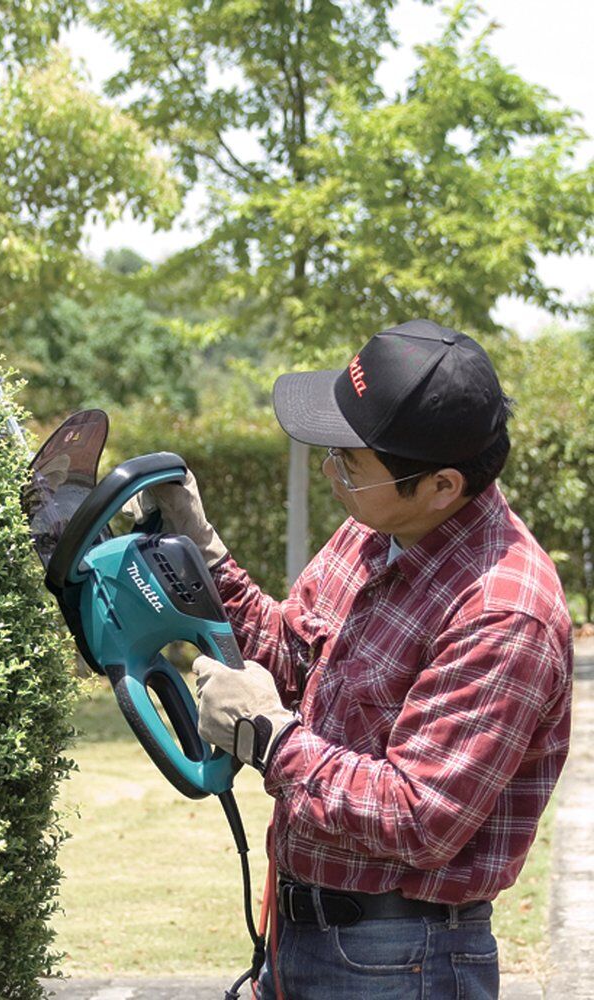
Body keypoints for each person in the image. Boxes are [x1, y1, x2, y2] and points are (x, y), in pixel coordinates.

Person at [129, 319, 573, 999]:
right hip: (304, 931)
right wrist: (200, 548)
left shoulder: (503, 612)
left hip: (402, 959)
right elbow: (291, 653)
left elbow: (421, 818)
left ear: (441, 485)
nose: (330, 471)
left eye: (349, 462)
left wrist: (269, 739)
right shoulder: (378, 527)